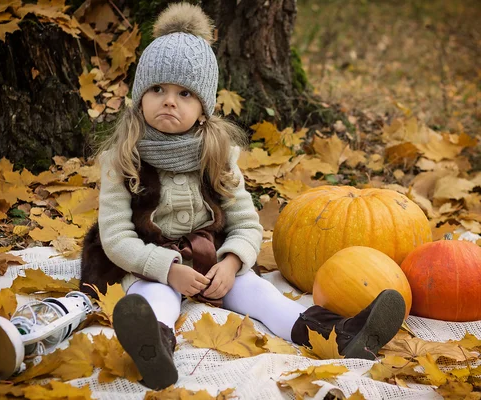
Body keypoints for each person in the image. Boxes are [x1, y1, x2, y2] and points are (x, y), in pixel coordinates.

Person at [80, 2, 406, 391]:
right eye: (157, 89)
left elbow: (246, 223)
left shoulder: (217, 155)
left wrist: (232, 263)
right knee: (157, 300)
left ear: (203, 109)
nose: (169, 100)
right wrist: (168, 269)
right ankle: (153, 350)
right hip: (149, 262)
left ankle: (340, 335)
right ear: (139, 96)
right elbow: (115, 236)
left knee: (264, 297)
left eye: (185, 93)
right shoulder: (122, 158)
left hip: (211, 259)